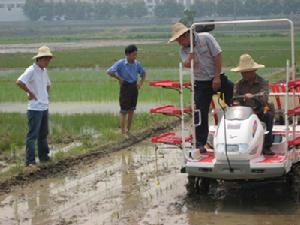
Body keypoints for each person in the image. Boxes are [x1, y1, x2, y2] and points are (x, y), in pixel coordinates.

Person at [169, 22, 233, 153]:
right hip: (202, 84)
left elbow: (217, 55)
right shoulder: (183, 50)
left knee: (225, 104)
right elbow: (186, 64)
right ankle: (200, 143)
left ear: (186, 35)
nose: (179, 43)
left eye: (179, 40)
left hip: (217, 80)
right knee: (200, 112)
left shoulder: (206, 38)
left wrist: (216, 78)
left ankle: (231, 133)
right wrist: (191, 55)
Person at [16, 46, 53, 166]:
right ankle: (30, 161)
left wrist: (45, 95)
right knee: (32, 135)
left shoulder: (44, 71)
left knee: (43, 133)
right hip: (34, 108)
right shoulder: (31, 70)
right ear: (39, 59)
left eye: (49, 59)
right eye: (46, 59)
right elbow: (19, 82)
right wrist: (30, 93)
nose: (48, 62)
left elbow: (48, 84)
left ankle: (44, 156)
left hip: (44, 106)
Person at [231, 53, 275, 155]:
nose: (244, 74)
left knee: (268, 114)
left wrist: (253, 96)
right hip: (244, 112)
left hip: (260, 110)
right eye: (243, 72)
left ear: (253, 71)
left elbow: (264, 97)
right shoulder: (238, 84)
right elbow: (234, 97)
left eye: (246, 72)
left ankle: (267, 146)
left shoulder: (263, 82)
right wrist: (237, 102)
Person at [107, 44, 146, 135]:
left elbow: (143, 74)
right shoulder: (121, 63)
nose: (135, 56)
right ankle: (123, 132)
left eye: (136, 54)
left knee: (131, 109)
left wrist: (140, 83)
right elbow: (109, 71)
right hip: (125, 87)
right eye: (133, 54)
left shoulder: (137, 63)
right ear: (127, 54)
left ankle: (129, 130)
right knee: (124, 110)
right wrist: (119, 79)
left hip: (134, 87)